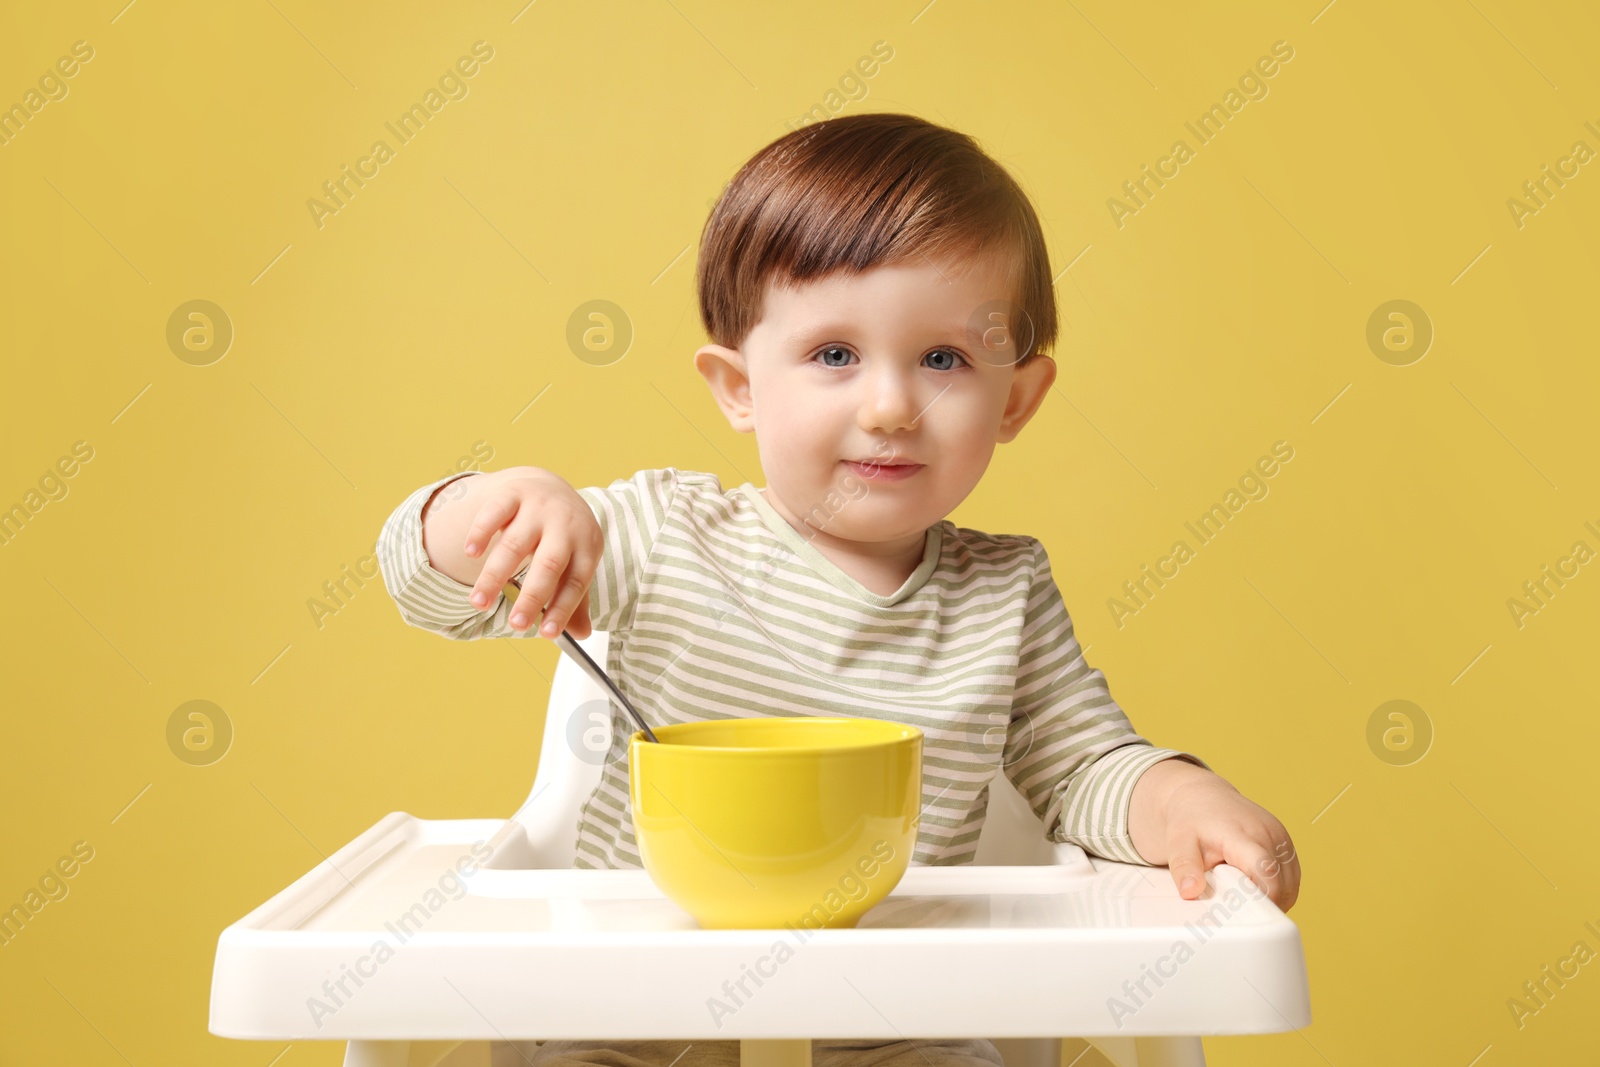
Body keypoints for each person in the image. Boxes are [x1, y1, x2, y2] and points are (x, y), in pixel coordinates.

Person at [376, 112, 1300, 1067]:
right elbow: (429, 589)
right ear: (738, 388)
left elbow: (1080, 770)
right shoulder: (659, 535)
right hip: (636, 996)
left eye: (943, 359)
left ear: (1015, 398)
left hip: (899, 1007)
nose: (891, 405)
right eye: (833, 356)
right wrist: (490, 512)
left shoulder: (1005, 592)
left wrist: (1180, 796)